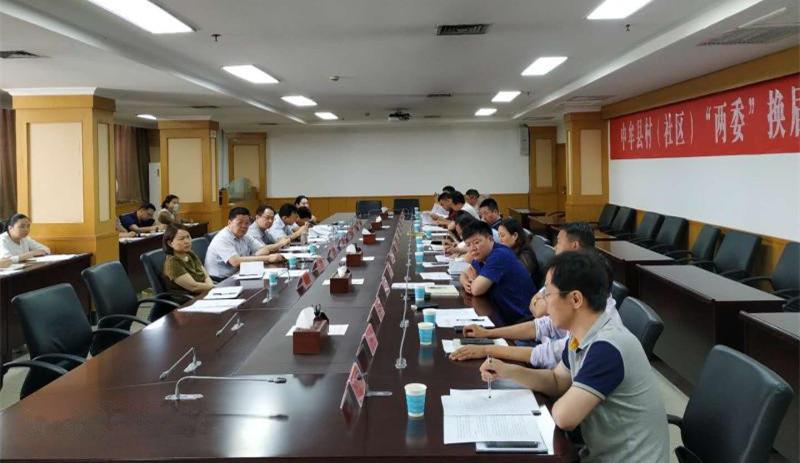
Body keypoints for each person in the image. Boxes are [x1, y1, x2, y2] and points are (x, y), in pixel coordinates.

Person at [479, 251, 670, 463]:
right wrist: (508, 371)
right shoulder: (581, 336)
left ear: (575, 299)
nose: (544, 304)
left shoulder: (608, 346)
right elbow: (557, 380)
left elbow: (564, 418)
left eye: (548, 294)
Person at [451, 222, 618, 369]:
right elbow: (542, 321)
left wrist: (487, 348)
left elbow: (541, 319)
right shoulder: (565, 275)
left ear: (576, 298)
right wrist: (488, 335)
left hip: (529, 332)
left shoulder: (601, 343)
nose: (555, 247)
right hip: (541, 345)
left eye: (558, 242)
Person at [459, 220, 536, 324]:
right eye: (468, 245)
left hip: (517, 319)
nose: (472, 248)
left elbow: (476, 290)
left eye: (477, 242)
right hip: (498, 311)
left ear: (490, 239)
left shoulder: (500, 255)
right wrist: (465, 281)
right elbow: (465, 272)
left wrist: (473, 281)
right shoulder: (483, 255)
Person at [205, 207, 286, 279]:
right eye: (240, 223)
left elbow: (263, 249)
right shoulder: (223, 238)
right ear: (229, 223)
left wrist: (257, 255)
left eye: (247, 223)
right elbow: (236, 262)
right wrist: (268, 258)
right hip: (221, 279)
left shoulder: (245, 235)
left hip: (240, 273)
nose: (244, 226)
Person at [162, 225, 214, 294]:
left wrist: (211, 286)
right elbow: (194, 287)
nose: (187, 241)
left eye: (188, 237)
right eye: (181, 239)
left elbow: (205, 276)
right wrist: (212, 287)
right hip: (190, 298)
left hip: (205, 291)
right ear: (170, 243)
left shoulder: (190, 253)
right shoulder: (172, 263)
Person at [497, 218, 539, 285]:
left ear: (515, 236)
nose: (500, 240)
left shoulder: (525, 256)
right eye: (499, 236)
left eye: (502, 235)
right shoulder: (510, 250)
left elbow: (521, 281)